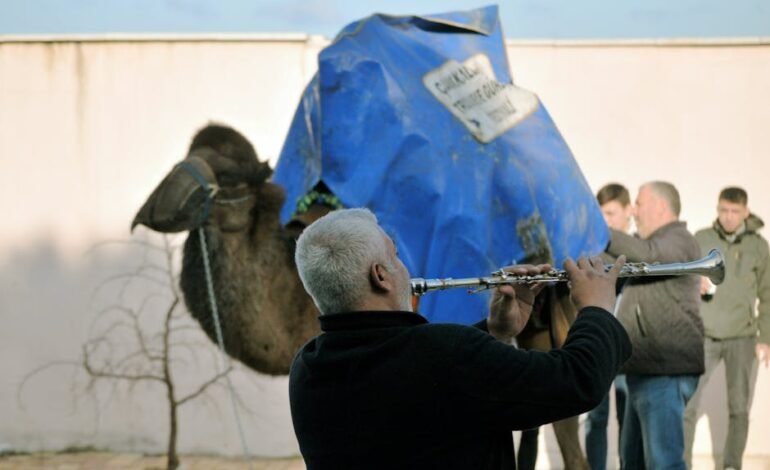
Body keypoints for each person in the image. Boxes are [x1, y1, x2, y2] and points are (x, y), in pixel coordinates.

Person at [289, 208, 631, 469]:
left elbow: (426, 387)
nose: (403, 266)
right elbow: (577, 380)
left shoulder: (307, 370)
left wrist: (493, 332)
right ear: (380, 276)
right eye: (394, 256)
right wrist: (596, 307)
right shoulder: (446, 355)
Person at [605, 181, 704, 470]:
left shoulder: (679, 239)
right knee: (632, 462)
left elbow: (648, 254)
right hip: (645, 370)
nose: (633, 211)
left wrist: (601, 231)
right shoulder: (652, 243)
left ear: (661, 207)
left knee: (664, 463)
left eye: (639, 203)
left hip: (665, 371)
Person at [683, 187, 770, 470]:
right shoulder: (703, 238)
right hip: (705, 334)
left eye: (734, 211)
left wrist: (765, 337)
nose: (729, 217)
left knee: (739, 408)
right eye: (723, 210)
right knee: (687, 405)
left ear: (745, 212)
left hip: (743, 337)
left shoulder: (759, 245)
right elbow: (683, 277)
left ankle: (731, 465)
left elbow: (768, 293)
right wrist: (695, 282)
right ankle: (679, 464)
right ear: (717, 209)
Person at [584, 183, 633, 470]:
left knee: (628, 419)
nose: (606, 221)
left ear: (628, 211)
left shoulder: (640, 249)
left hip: (629, 347)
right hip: (601, 345)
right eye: (601, 214)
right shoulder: (592, 251)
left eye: (611, 213)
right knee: (596, 417)